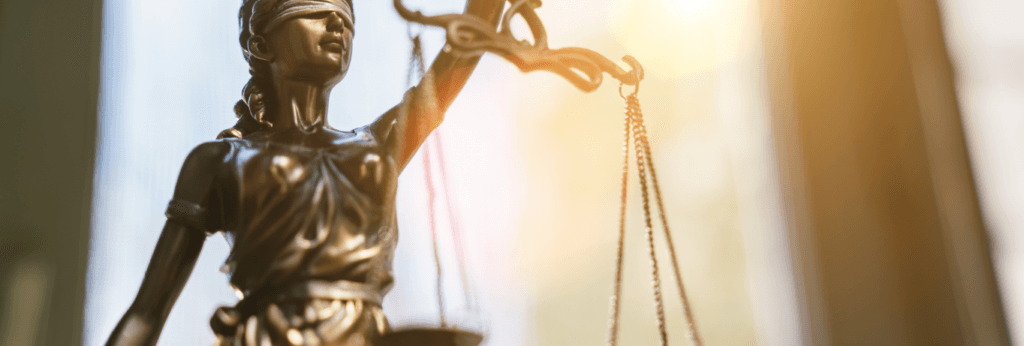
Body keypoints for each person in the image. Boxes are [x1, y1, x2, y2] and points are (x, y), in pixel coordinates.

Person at [105, 0, 489, 344]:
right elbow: (147, 312)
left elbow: (449, 71)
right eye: (316, 13)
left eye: (345, 19)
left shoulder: (377, 147)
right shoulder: (218, 162)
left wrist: (487, 10)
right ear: (261, 45)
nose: (337, 25)